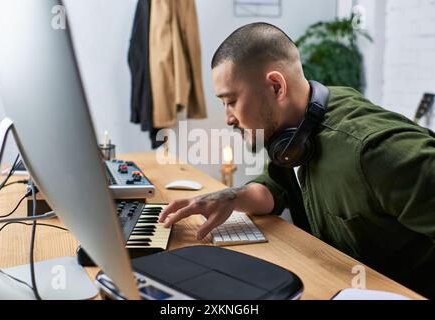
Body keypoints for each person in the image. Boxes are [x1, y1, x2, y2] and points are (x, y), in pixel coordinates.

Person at [159, 22, 435, 299]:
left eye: (231, 101)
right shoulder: (292, 134)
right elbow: (276, 186)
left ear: (276, 86)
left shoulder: (374, 150)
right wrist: (232, 197)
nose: (228, 118)